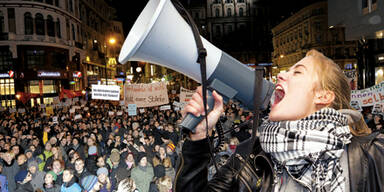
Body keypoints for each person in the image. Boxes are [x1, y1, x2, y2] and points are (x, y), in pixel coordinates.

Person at [175, 49, 384, 191]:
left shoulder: (370, 154)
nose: (281, 74)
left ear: (323, 96)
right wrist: (199, 139)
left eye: (298, 72)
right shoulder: (249, 157)